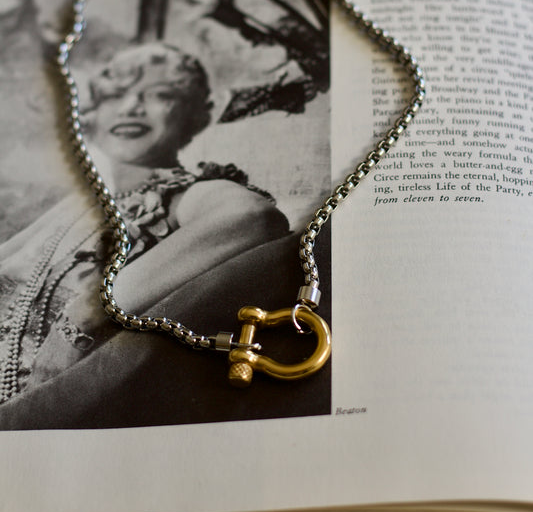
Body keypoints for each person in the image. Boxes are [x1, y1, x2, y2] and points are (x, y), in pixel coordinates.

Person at [0, 43, 332, 429]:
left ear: (198, 114)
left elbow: (253, 216)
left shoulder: (187, 193)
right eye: (115, 96)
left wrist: (90, 310)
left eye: (160, 95)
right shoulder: (73, 205)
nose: (131, 107)